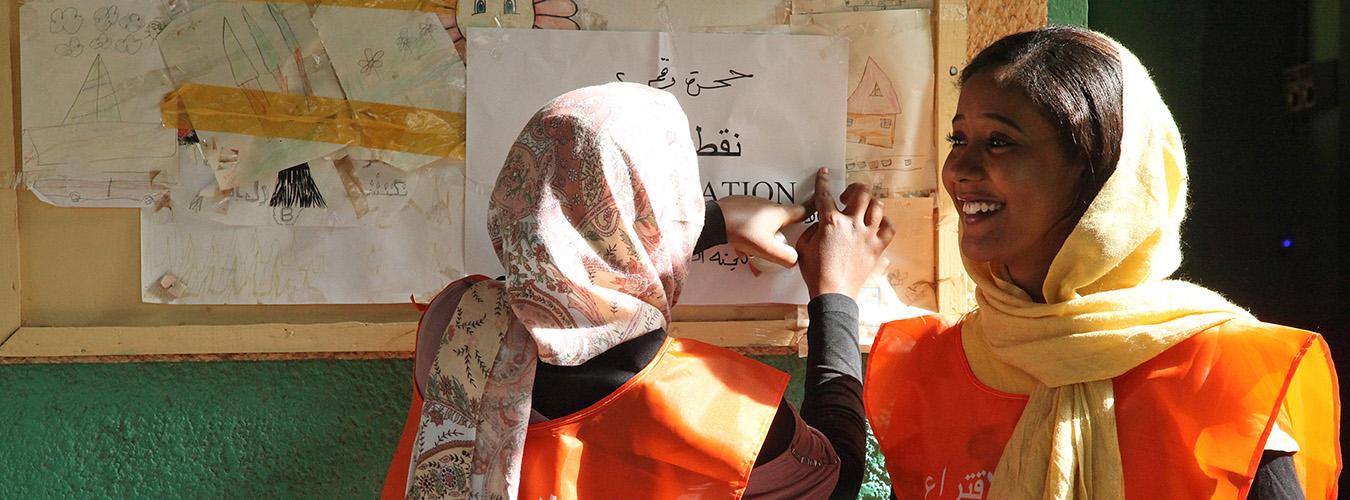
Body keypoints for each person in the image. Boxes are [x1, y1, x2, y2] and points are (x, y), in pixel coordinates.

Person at [807, 27, 1339, 499]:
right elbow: (825, 475)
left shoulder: (1218, 371)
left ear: (1097, 173)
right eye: (958, 138)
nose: (959, 169)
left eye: (999, 142)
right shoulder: (930, 367)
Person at [380, 82, 890, 499]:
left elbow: (553, 258)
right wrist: (836, 293)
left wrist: (709, 224)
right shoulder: (714, 407)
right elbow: (837, 476)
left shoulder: (454, 324)